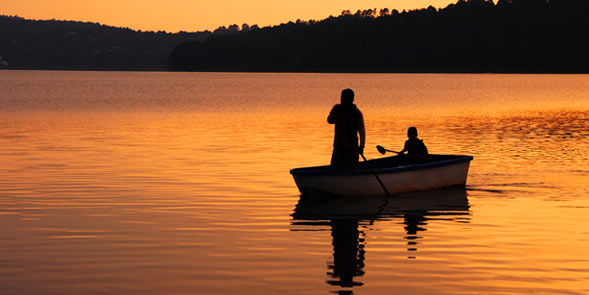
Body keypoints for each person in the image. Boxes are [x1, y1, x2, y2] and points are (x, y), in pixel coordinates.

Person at [327, 88, 365, 169]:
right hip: (338, 146)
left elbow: (362, 131)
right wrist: (338, 118)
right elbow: (329, 120)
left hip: (352, 148)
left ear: (352, 99)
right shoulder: (337, 108)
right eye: (342, 97)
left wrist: (361, 146)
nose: (342, 100)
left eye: (345, 98)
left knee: (352, 167)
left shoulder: (357, 113)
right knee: (335, 167)